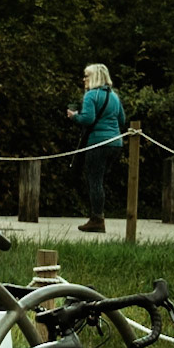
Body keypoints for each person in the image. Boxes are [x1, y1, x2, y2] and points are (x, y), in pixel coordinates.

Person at [66, 63, 126, 233]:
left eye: (86, 75)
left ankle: (97, 219)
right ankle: (97, 216)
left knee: (94, 180)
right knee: (99, 180)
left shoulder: (91, 95)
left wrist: (74, 116)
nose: (83, 79)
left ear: (94, 77)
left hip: (98, 143)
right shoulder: (114, 96)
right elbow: (122, 119)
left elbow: (88, 119)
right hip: (116, 143)